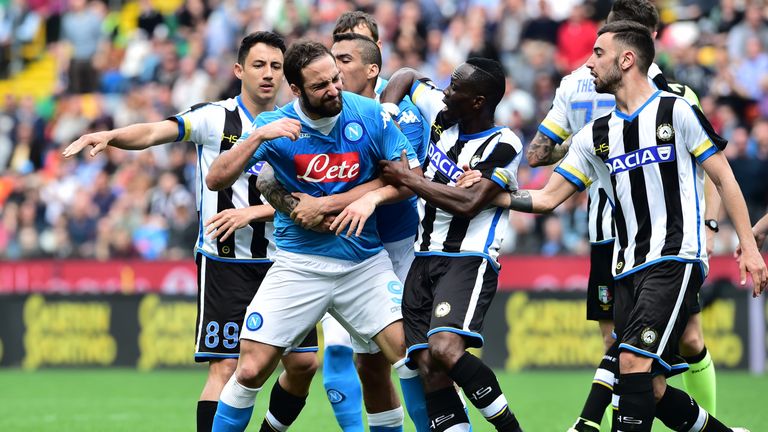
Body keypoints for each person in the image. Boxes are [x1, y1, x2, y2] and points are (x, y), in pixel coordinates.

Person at [481, 21, 764, 432]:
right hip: (625, 267)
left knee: (631, 362)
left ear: (626, 60)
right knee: (652, 387)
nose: (589, 64)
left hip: (673, 257)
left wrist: (749, 247)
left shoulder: (675, 111)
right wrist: (492, 194)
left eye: (598, 53)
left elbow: (723, 178)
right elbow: (546, 197)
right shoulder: (595, 135)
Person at [62, 32, 319, 432]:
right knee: (227, 366)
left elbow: (312, 199)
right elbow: (154, 132)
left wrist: (253, 213)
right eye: (258, 65)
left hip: (285, 260)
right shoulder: (214, 117)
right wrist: (112, 136)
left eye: (275, 66)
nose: (268, 74)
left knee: (303, 364)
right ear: (239, 70)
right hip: (226, 263)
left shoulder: (299, 124)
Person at [205, 40, 425, 432]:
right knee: (251, 369)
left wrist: (345, 201)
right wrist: (257, 137)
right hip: (299, 265)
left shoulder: (369, 113)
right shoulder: (275, 127)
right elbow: (216, 178)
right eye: (321, 86)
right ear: (296, 89)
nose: (334, 90)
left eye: (336, 79)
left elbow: (411, 180)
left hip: (363, 264)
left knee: (411, 358)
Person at [521, 1, 722, 429]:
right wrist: (589, 147)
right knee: (631, 352)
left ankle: (591, 421)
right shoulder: (582, 86)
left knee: (669, 345)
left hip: (668, 237)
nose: (592, 59)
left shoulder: (673, 100)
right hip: (612, 233)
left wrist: (708, 225)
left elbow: (712, 170)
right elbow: (542, 169)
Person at [345, 57, 525, 432]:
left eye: (455, 87)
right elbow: (407, 76)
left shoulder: (503, 143)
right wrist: (387, 112)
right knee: (427, 365)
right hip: (422, 258)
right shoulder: (442, 117)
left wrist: (409, 179)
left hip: (467, 258)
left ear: (477, 101)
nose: (445, 91)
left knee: (444, 349)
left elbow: (469, 203)